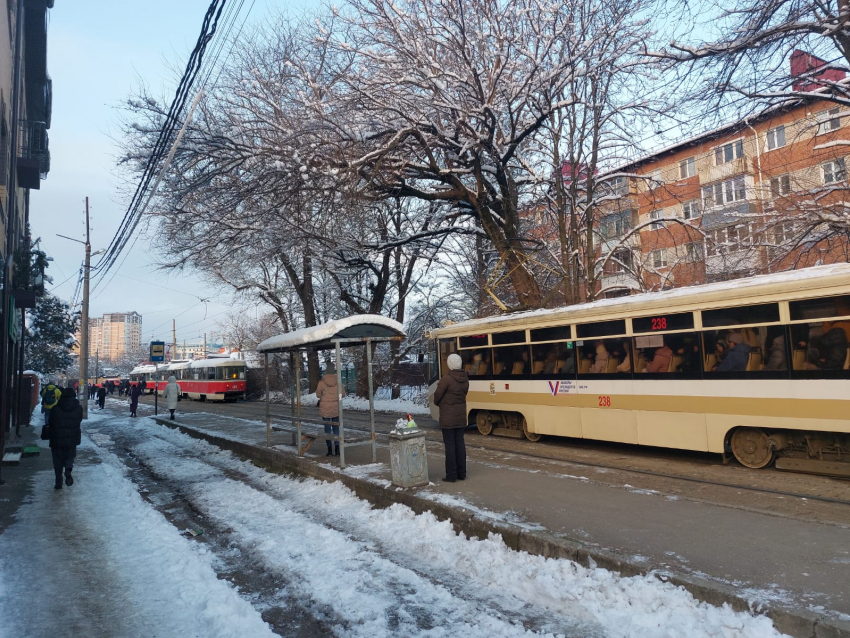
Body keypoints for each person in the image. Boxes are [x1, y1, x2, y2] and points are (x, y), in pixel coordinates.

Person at [433, 353, 469, 483]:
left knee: (450, 446)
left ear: (449, 364)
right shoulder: (465, 378)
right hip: (460, 417)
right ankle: (462, 473)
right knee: (460, 444)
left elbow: (436, 398)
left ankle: (451, 475)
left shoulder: (446, 379)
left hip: (448, 418)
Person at [42, 387, 82, 490]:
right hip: (72, 439)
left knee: (57, 460)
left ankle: (58, 482)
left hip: (57, 438)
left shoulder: (55, 408)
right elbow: (79, 421)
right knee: (70, 456)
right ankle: (68, 469)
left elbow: (51, 422)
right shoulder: (79, 408)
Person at [315, 363, 344, 456]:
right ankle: (337, 449)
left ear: (326, 371)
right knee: (336, 428)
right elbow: (343, 394)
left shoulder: (321, 382)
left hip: (325, 408)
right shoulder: (338, 381)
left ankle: (329, 450)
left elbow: (318, 395)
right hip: (336, 407)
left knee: (327, 429)